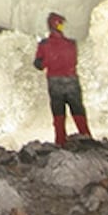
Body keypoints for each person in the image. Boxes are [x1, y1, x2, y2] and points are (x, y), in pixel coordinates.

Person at [33, 11, 91, 147]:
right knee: (77, 108)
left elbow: (39, 65)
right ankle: (85, 135)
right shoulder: (71, 44)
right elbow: (73, 61)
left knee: (58, 111)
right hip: (71, 80)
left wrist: (46, 61)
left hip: (54, 81)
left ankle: (60, 140)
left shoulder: (44, 44)